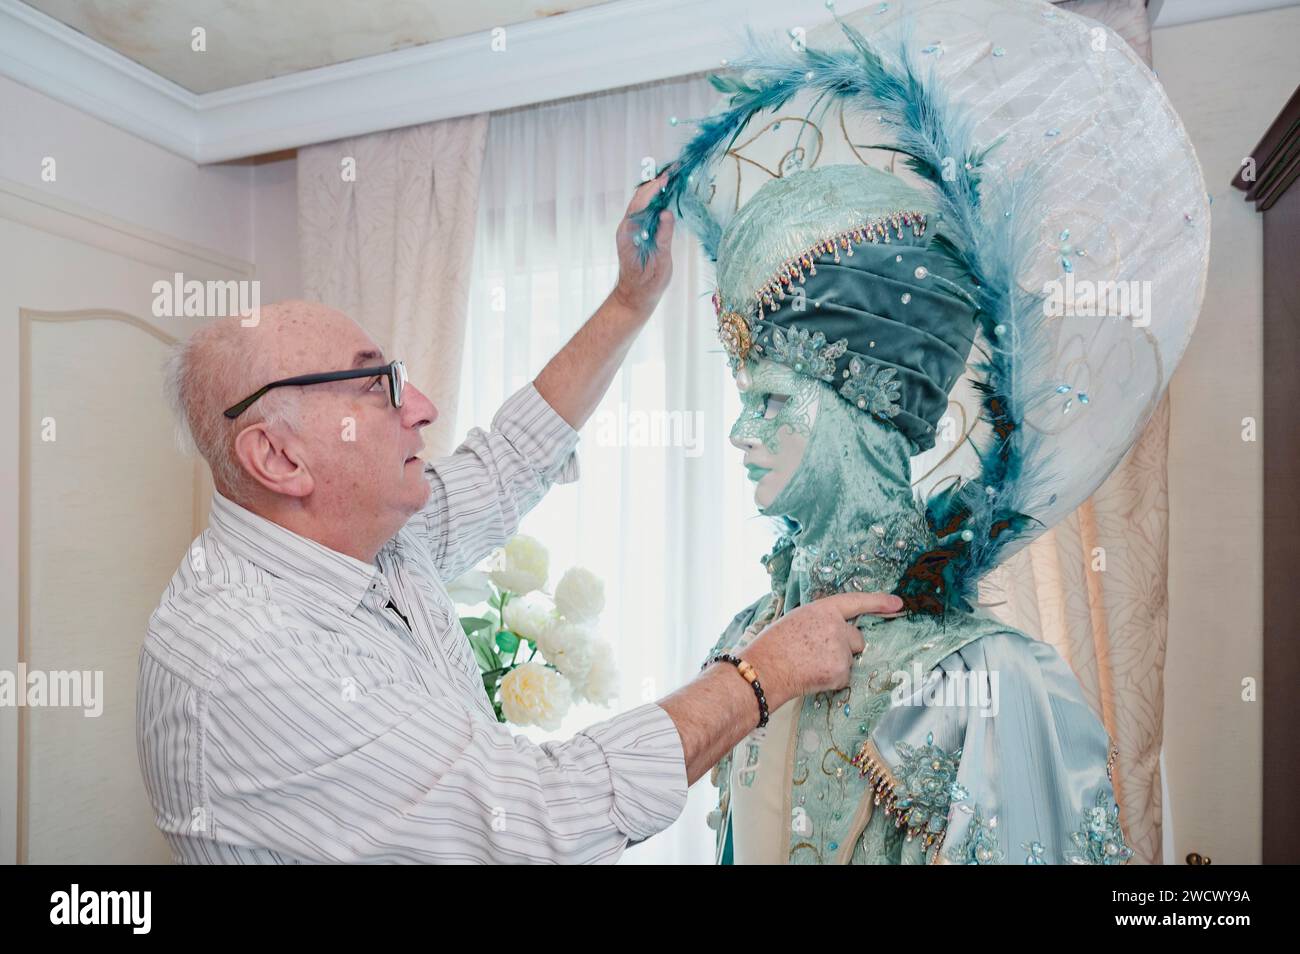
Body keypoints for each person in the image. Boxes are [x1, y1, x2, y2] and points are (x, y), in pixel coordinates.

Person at [137, 173, 903, 864]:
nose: (424, 408)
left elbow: (506, 460)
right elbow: (536, 817)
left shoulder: (367, 543)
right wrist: (760, 675)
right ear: (280, 459)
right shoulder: (250, 663)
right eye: (378, 387)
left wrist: (631, 299)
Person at [633, 0, 1208, 863]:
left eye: (772, 402)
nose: (740, 435)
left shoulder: (986, 682)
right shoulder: (745, 650)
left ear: (866, 398)